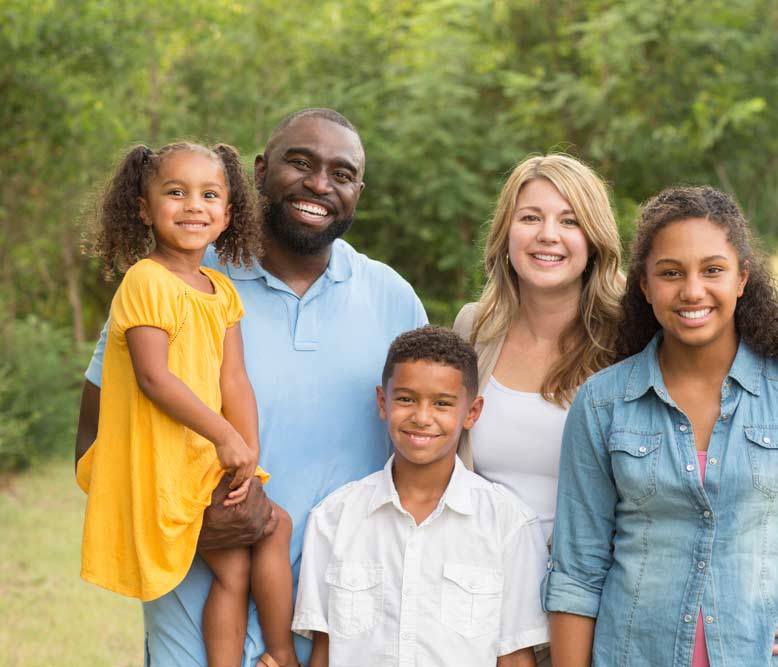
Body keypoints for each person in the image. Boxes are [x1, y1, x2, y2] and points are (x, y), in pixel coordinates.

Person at [75, 109, 427, 667]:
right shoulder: (174, 280)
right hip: (194, 597)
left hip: (340, 615)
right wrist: (189, 521)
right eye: (301, 162)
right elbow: (97, 436)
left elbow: (429, 453)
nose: (319, 183)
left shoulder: (393, 298)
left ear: (358, 190)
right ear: (259, 173)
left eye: (341, 173)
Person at [453, 155, 778, 666]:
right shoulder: (473, 330)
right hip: (482, 599)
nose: (548, 235)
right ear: (505, 232)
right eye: (530, 217)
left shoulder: (635, 336)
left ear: (596, 239)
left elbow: (719, 468)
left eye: (569, 220)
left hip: (603, 609)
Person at [543, 186, 778, 666]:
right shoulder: (602, 404)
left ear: (742, 278)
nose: (693, 290)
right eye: (671, 273)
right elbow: (576, 575)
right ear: (644, 285)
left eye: (713, 270)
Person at [77, 141, 298, 667]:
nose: (193, 205)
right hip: (169, 463)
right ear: (144, 208)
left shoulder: (221, 291)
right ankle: (282, 653)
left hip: (211, 462)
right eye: (175, 193)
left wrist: (248, 455)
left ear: (227, 214)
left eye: (209, 195)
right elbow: (154, 378)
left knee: (254, 547)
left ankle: (273, 652)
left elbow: (235, 381)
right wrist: (224, 438)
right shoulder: (145, 280)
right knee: (251, 550)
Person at [293, 326, 549, 666]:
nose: (422, 417)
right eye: (405, 399)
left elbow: (516, 658)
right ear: (383, 402)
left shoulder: (509, 525)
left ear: (472, 412)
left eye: (442, 403)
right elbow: (324, 653)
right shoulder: (333, 519)